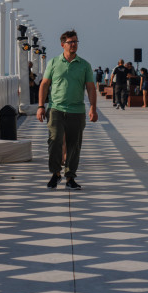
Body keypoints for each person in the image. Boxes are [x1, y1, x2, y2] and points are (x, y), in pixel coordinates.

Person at [36, 30, 98, 190]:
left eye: (76, 42)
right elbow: (44, 84)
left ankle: (70, 176)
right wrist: (41, 106)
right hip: (56, 109)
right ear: (63, 44)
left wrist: (93, 108)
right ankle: (55, 174)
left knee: (74, 145)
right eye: (71, 42)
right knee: (55, 140)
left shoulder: (84, 65)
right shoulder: (54, 62)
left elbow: (91, 88)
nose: (74, 45)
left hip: (77, 111)